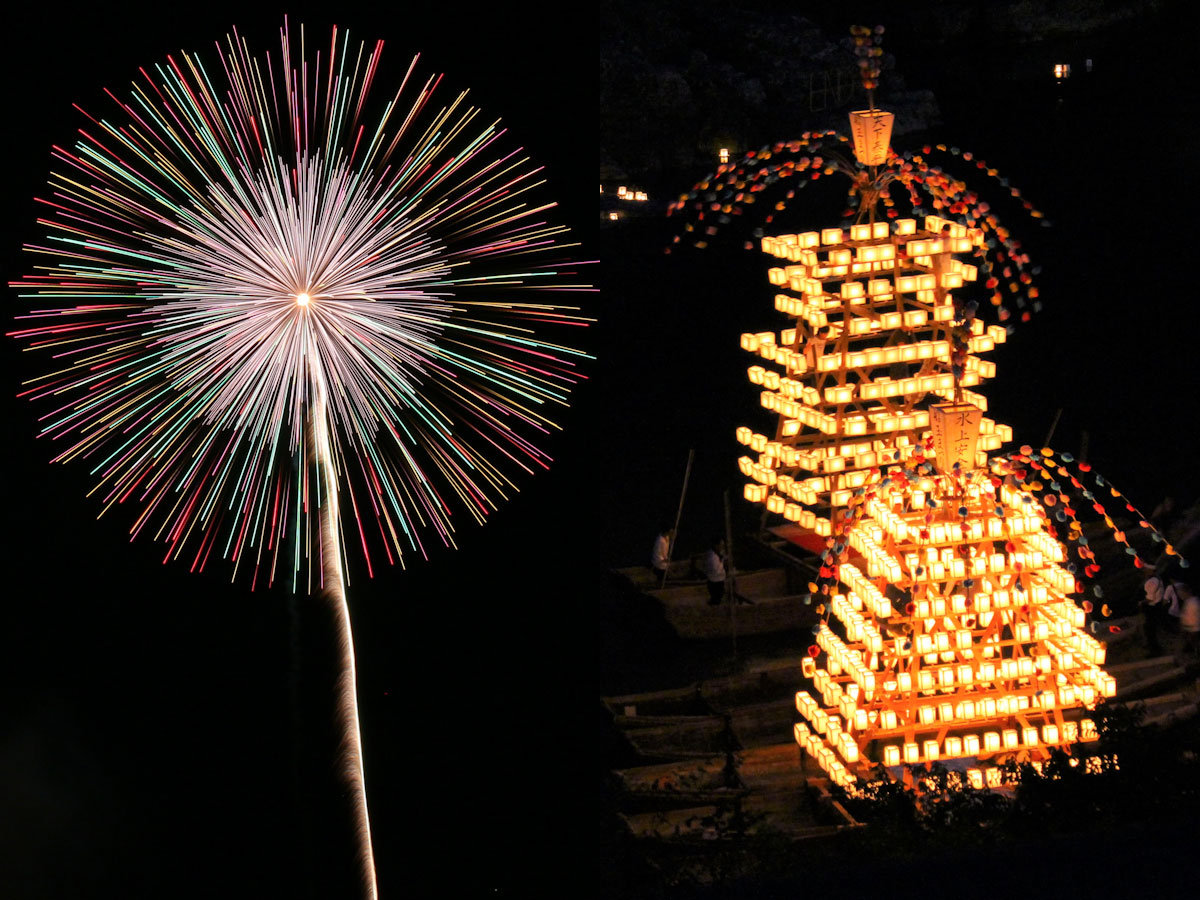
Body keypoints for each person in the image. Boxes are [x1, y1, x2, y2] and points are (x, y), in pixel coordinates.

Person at [1142, 571, 1169, 656]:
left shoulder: (1153, 581)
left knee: (1150, 630)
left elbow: (1150, 598)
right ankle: (1153, 647)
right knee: (1151, 629)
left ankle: (1155, 650)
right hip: (1156, 607)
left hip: (1152, 608)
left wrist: (1141, 602)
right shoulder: (1158, 580)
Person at [703, 538, 727, 605]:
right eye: (721, 545)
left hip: (718, 581)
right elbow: (717, 571)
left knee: (717, 600)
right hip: (715, 582)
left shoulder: (717, 554)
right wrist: (722, 560)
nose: (722, 547)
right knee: (716, 601)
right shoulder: (712, 556)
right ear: (716, 545)